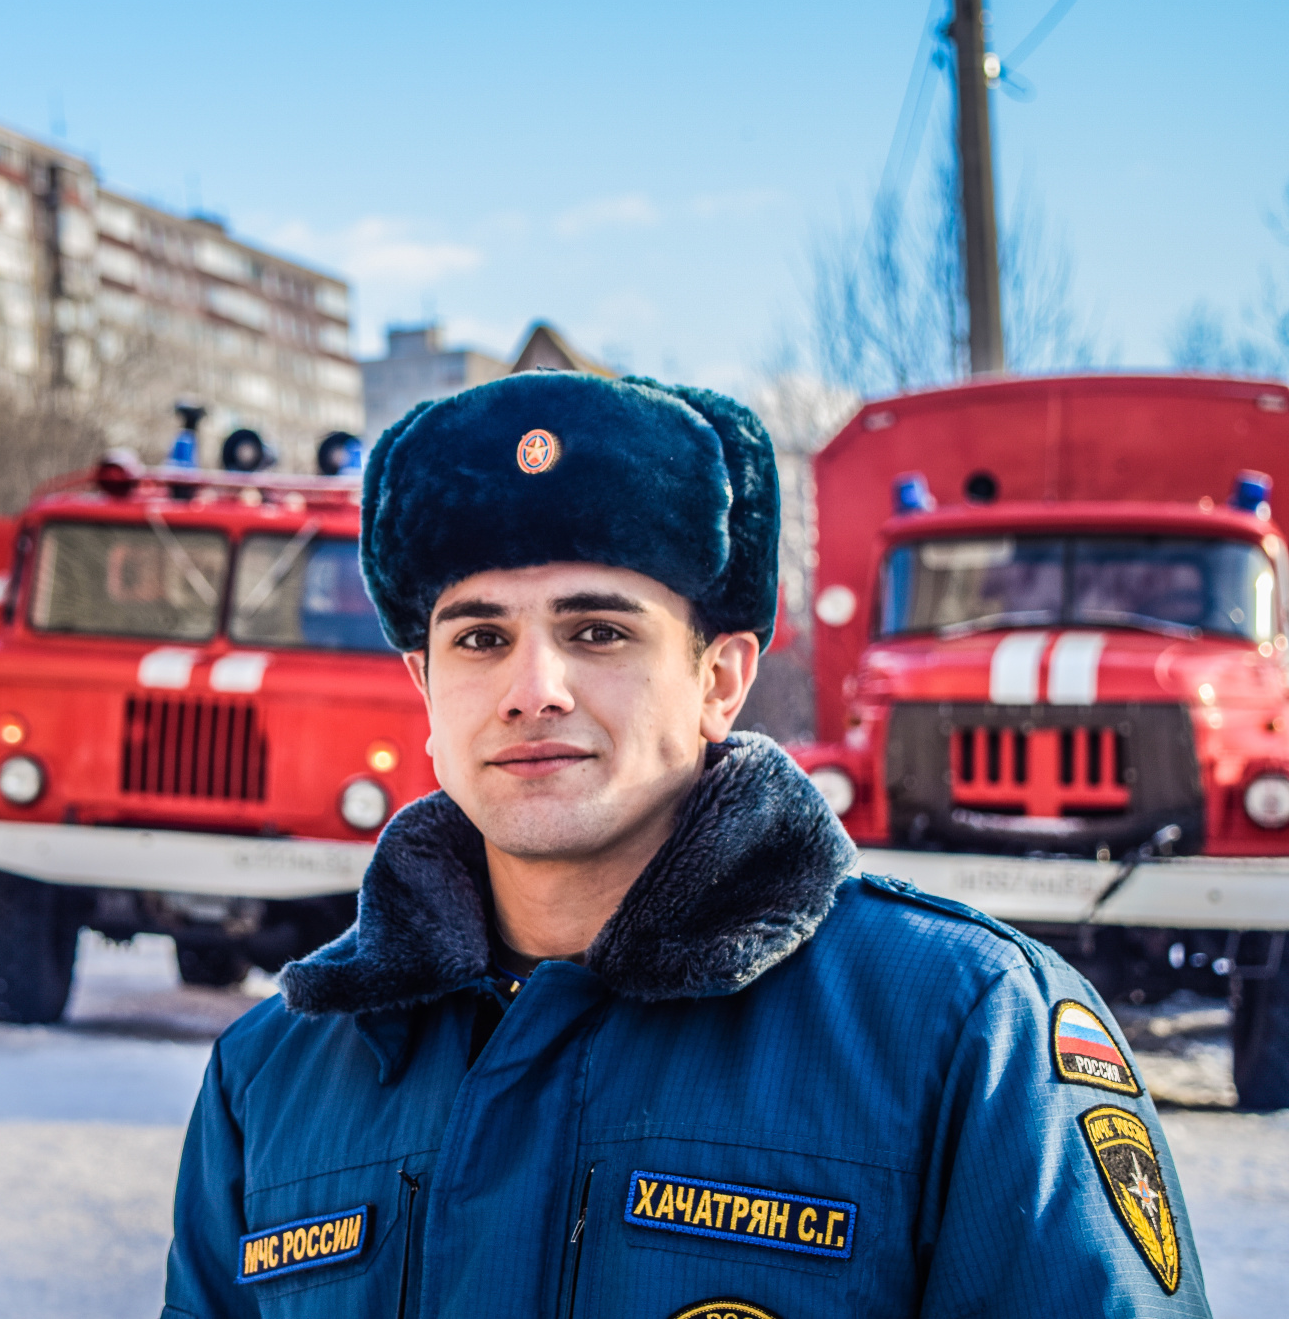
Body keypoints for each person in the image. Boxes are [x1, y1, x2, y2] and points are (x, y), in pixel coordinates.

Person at [162, 371, 1209, 1318]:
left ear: (719, 680)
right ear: (423, 689)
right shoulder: (272, 1077)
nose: (533, 690)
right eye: (479, 638)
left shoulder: (961, 1032)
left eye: (597, 632)